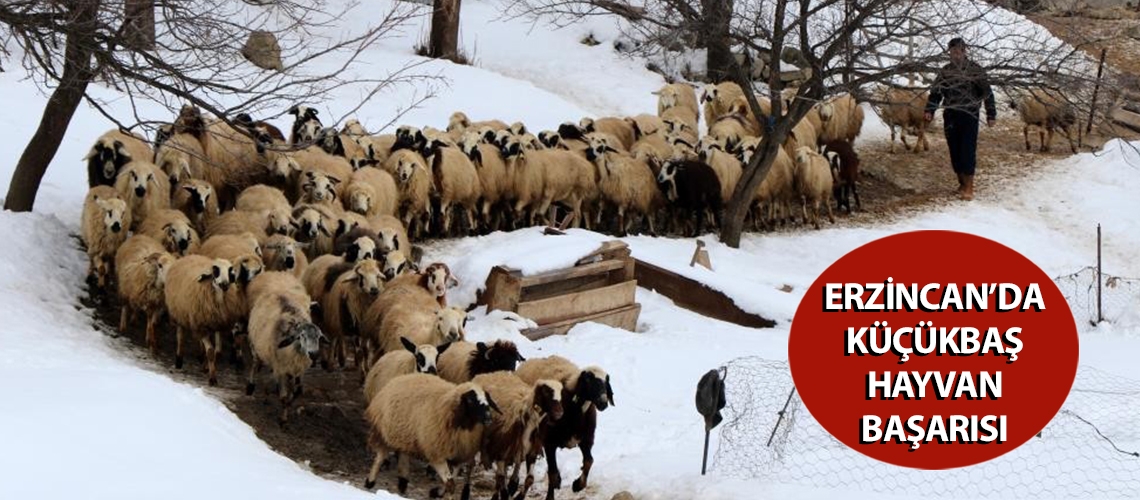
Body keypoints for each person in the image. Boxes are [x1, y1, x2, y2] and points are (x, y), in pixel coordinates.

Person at [924, 37, 997, 201]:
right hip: (950, 114)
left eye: (958, 51)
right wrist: (930, 110)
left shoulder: (975, 70)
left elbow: (987, 93)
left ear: (964, 51)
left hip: (969, 114)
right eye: (952, 51)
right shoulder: (945, 71)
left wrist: (991, 114)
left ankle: (969, 186)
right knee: (954, 150)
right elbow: (936, 92)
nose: (955, 54)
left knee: (967, 150)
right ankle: (961, 182)